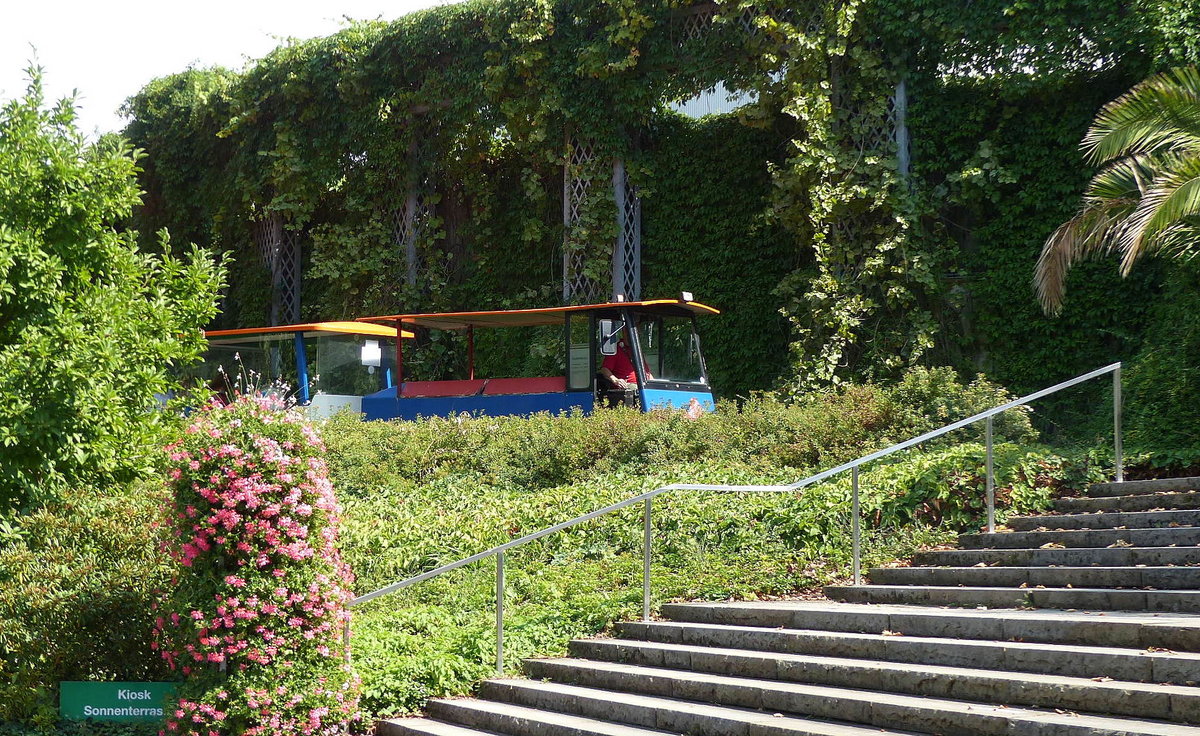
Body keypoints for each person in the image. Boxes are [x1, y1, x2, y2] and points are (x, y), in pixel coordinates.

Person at [598, 329, 651, 408]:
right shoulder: (616, 349)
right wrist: (616, 380)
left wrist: (655, 384)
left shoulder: (637, 350)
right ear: (623, 331)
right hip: (626, 389)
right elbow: (605, 369)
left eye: (638, 330)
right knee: (635, 389)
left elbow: (647, 373)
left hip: (642, 386)